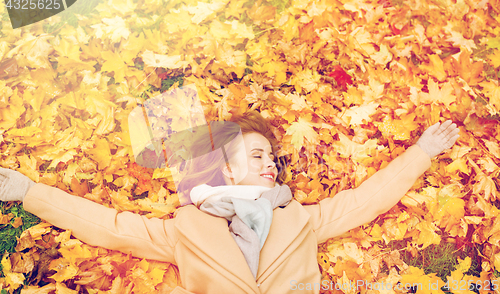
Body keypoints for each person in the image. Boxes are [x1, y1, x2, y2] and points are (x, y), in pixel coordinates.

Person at [0, 110, 459, 294]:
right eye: (256, 155)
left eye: (272, 158)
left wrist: (422, 151)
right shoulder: (186, 228)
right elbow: (112, 226)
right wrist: (29, 193)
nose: (270, 165)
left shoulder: (299, 218)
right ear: (228, 170)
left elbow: (366, 201)